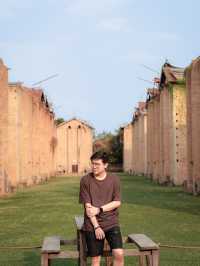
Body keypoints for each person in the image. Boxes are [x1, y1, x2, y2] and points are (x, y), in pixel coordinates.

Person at [79, 151, 124, 266]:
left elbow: (117, 202)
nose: (94, 167)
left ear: (105, 165)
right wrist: (96, 226)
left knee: (119, 254)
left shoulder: (114, 180)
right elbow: (88, 208)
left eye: (97, 164)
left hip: (111, 223)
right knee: (95, 260)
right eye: (92, 164)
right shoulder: (85, 180)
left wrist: (99, 209)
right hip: (92, 225)